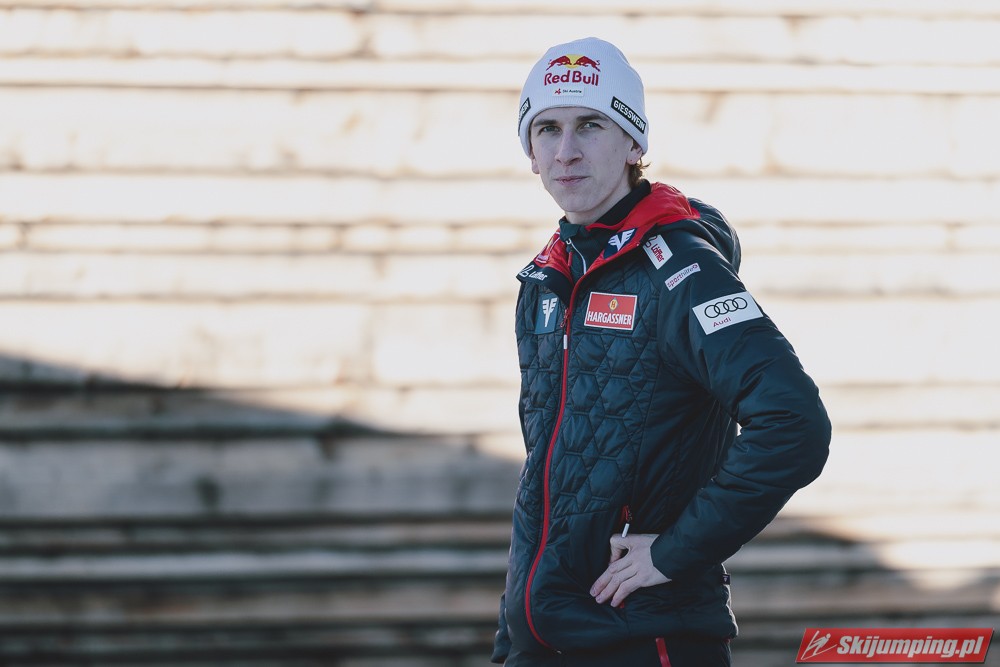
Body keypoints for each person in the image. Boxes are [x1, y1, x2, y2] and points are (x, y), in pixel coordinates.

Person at [493, 37, 832, 666]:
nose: (566, 151)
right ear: (531, 154)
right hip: (544, 640)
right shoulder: (547, 279)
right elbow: (544, 478)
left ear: (633, 143)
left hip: (647, 638)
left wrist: (674, 553)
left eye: (590, 125)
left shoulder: (681, 270)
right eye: (547, 129)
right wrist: (513, 636)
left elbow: (794, 424)